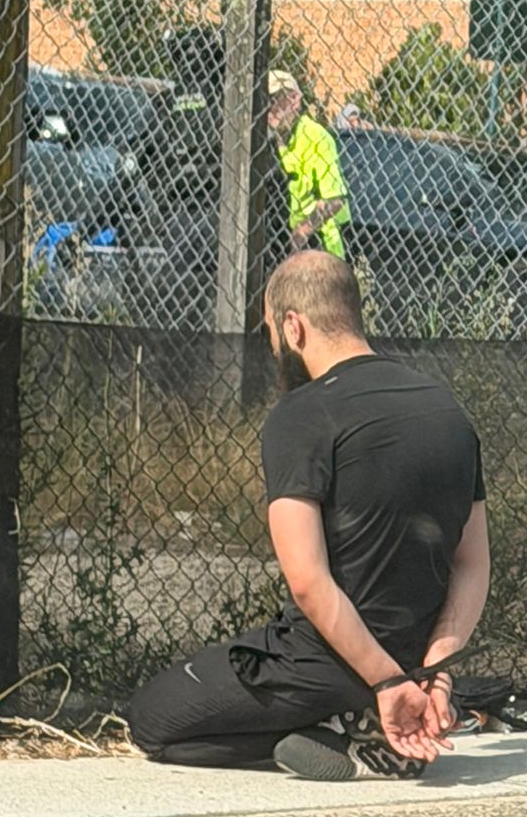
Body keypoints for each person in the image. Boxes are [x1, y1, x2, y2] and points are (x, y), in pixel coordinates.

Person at [128, 251, 489, 781]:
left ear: (294, 327)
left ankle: (349, 738)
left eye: (272, 331)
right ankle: (360, 727)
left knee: (151, 720)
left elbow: (308, 582)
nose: (273, 344)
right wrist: (432, 671)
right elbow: (473, 564)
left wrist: (385, 684)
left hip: (328, 662)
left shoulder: (301, 415)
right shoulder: (447, 410)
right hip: (413, 659)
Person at [268, 70, 352, 263]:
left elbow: (335, 200)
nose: (270, 107)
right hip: (279, 239)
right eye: (265, 100)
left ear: (295, 99)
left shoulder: (317, 137)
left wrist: (301, 232)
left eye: (275, 99)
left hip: (319, 244)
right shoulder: (264, 139)